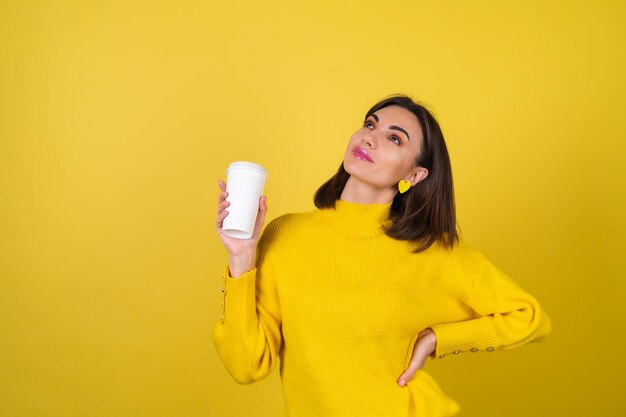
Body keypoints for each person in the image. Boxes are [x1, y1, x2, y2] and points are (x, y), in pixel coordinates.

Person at [212, 94, 552, 417]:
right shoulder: (286, 235)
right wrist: (241, 257)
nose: (370, 138)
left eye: (395, 139)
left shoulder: (432, 252)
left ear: (414, 175)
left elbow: (529, 317)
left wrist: (438, 339)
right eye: (370, 125)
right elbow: (246, 366)